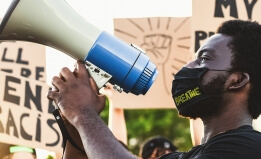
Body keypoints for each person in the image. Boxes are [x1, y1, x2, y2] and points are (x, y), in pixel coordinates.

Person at [47, 19, 261, 159]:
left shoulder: (250, 148)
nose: (188, 67)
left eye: (204, 59)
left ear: (237, 80)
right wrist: (71, 117)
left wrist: (83, 113)